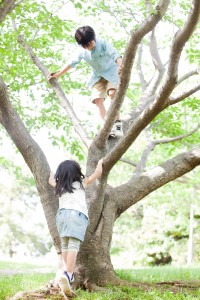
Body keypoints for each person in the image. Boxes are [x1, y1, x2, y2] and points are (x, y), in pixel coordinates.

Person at [48, 25, 123, 138]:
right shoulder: (82, 52)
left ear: (94, 39)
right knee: (97, 100)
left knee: (112, 94)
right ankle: (106, 129)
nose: (87, 47)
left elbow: (115, 55)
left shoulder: (103, 44)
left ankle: (117, 129)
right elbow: (71, 63)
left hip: (112, 72)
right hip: (98, 76)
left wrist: (121, 65)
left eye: (88, 44)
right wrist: (57, 75)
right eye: (84, 46)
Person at [49, 158, 103, 296]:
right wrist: (100, 162)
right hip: (76, 215)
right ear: (76, 172)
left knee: (65, 245)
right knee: (73, 245)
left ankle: (67, 274)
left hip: (61, 216)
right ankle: (68, 274)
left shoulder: (59, 186)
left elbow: (50, 179)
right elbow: (98, 173)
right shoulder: (80, 184)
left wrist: (50, 172)